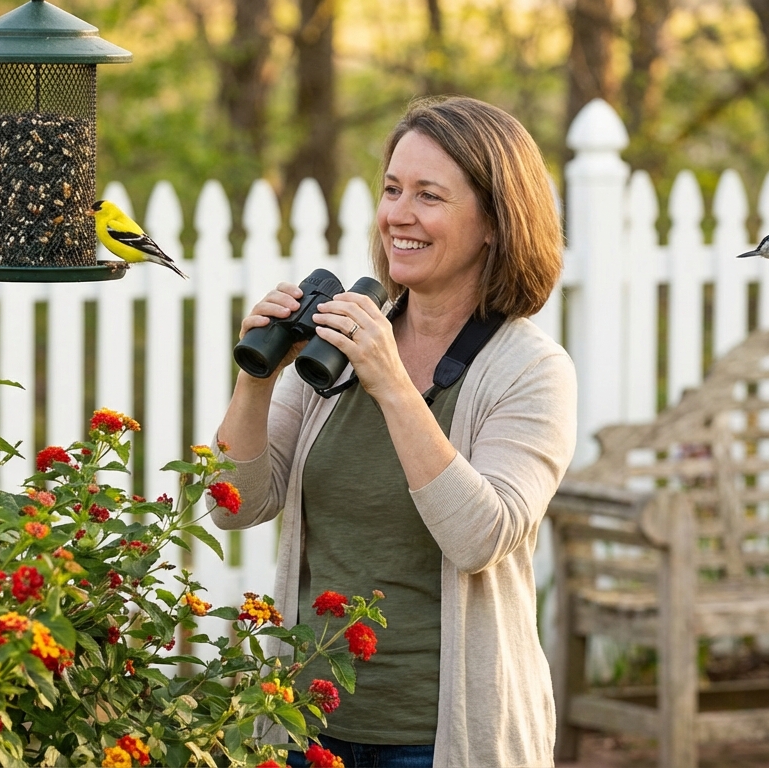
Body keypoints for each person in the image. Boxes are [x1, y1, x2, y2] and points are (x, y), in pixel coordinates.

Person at [212, 95, 576, 767]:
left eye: (429, 196)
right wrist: (255, 379)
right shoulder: (340, 343)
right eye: (391, 189)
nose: (398, 216)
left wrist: (392, 382)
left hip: (442, 738)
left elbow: (480, 537)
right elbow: (234, 505)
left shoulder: (531, 370)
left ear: (494, 222)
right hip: (302, 726)